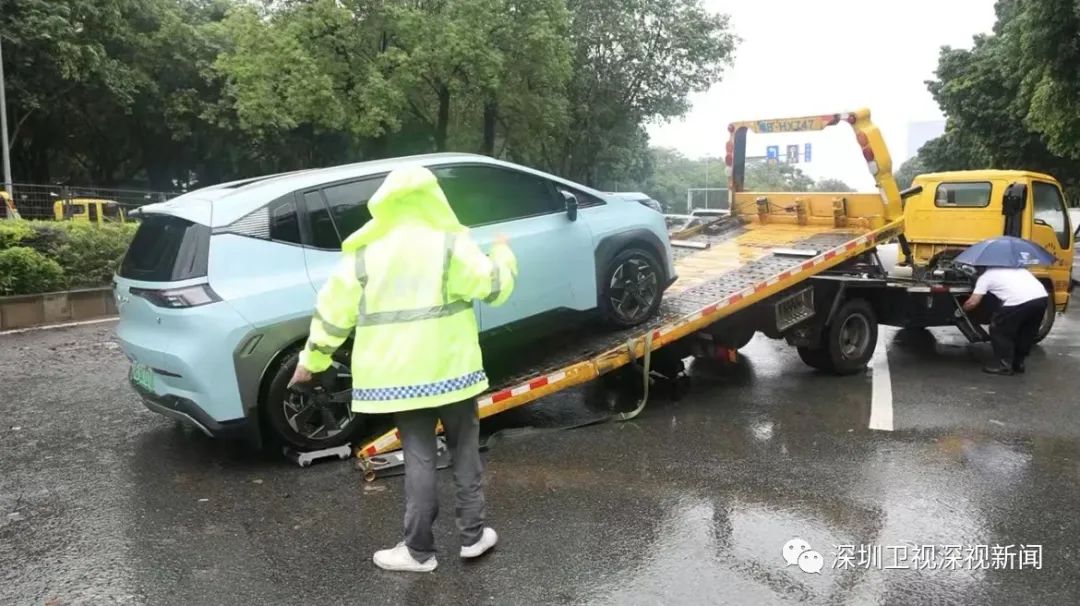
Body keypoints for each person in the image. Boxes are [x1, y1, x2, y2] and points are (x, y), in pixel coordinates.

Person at [288, 165, 517, 572]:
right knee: (465, 451)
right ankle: (474, 537)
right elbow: (494, 287)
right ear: (433, 199)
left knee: (419, 458)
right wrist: (502, 250)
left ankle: (417, 552)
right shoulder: (451, 243)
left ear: (386, 203)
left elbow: (332, 316)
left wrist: (312, 362)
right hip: (453, 374)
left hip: (400, 381)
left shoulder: (364, 253)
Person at [961, 266, 1048, 375]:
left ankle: (1004, 365)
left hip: (1019, 301)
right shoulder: (1019, 269)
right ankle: (1018, 363)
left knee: (999, 329)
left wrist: (962, 310)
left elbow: (973, 302)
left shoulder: (985, 277)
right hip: (1041, 299)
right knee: (1026, 332)